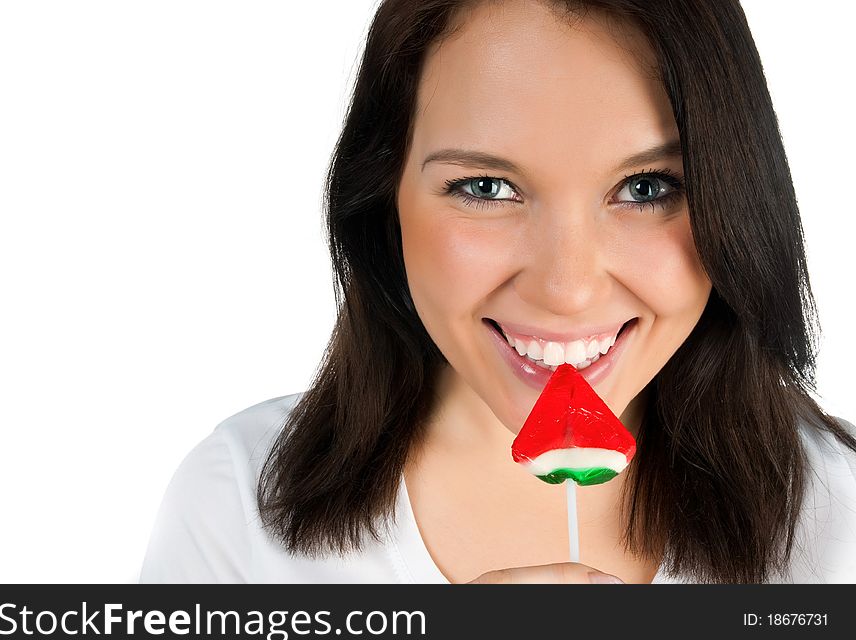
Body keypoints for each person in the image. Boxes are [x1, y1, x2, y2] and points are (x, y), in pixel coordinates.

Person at [139, 0, 856, 584]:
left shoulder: (842, 521)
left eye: (647, 188)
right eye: (486, 188)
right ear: (384, 202)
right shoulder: (238, 506)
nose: (568, 290)